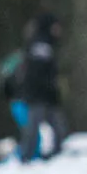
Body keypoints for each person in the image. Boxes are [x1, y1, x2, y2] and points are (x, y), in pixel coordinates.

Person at [17, 12, 65, 162]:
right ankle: (27, 157)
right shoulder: (42, 45)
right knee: (34, 128)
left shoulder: (44, 43)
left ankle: (50, 156)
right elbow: (39, 72)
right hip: (39, 95)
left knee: (54, 127)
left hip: (43, 95)